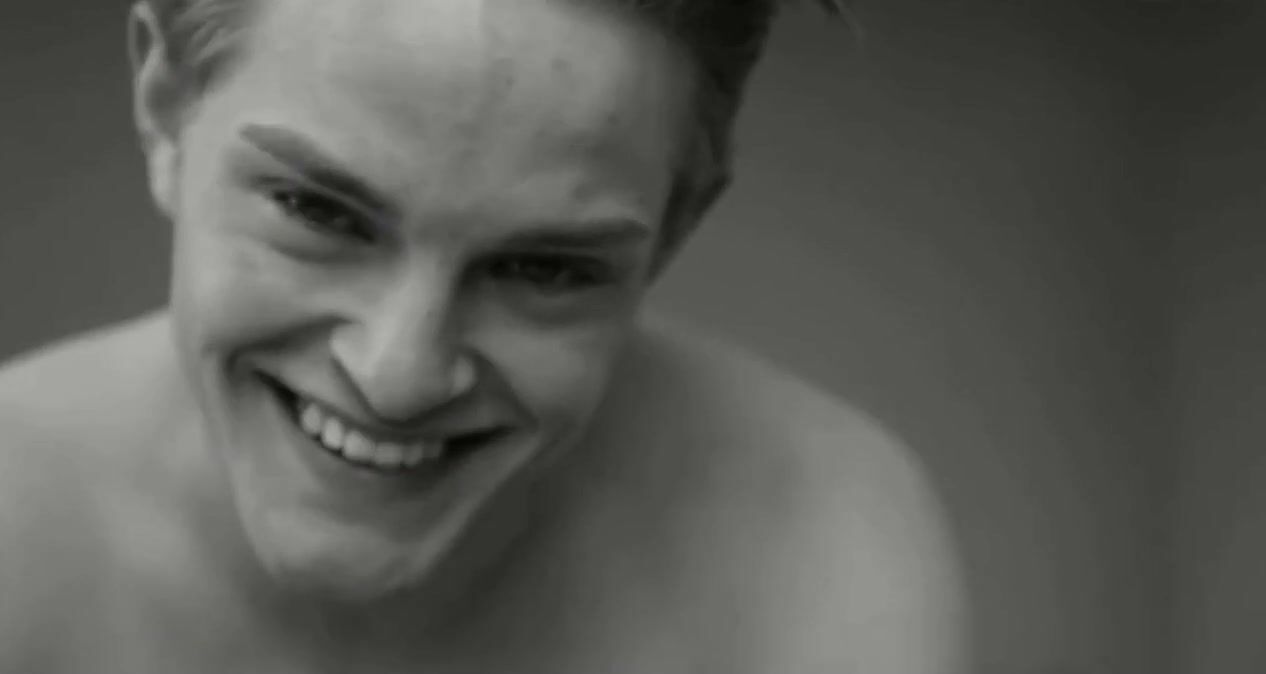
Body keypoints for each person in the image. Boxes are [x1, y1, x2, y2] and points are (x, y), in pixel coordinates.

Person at [0, 0, 965, 671]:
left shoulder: (818, 557)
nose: (398, 377)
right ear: (167, 106)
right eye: (318, 211)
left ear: (675, 229)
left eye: (544, 268)